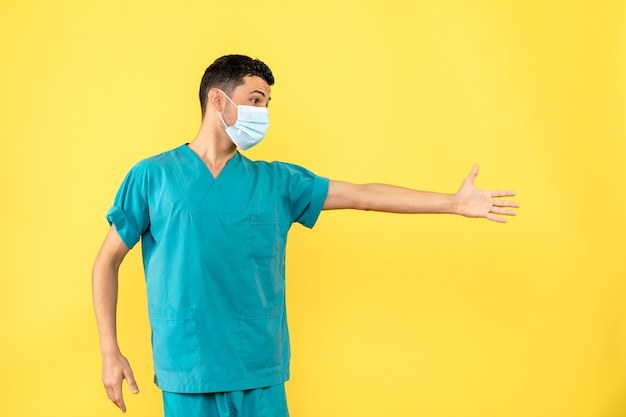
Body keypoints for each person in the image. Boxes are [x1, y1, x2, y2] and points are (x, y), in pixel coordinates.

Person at [92, 54, 519, 417]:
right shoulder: (153, 177)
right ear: (217, 99)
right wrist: (110, 351)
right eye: (254, 100)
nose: (263, 113)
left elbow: (364, 195)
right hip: (189, 369)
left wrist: (452, 202)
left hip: (258, 368)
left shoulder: (278, 183)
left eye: (267, 103)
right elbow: (106, 262)